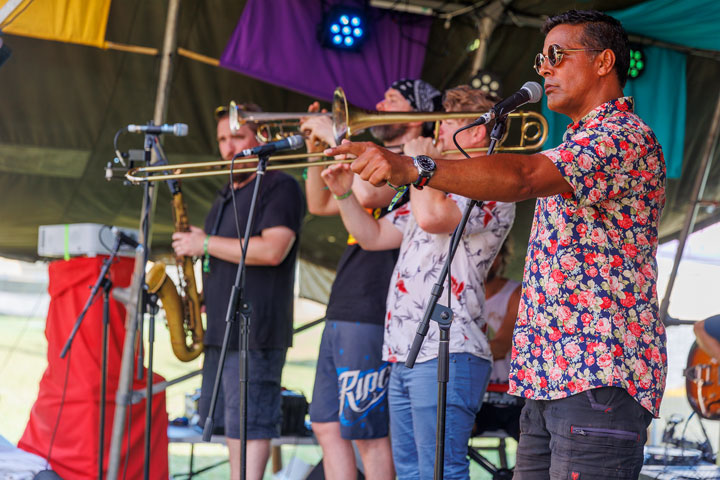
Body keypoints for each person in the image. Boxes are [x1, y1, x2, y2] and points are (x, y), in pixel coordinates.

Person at [327, 9, 667, 479]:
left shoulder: (620, 136)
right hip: (551, 373)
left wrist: (418, 168)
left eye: (556, 55)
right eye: (540, 59)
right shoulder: (576, 141)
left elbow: (523, 176)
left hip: (596, 372)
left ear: (605, 61)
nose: (544, 68)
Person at [320, 85, 515, 479]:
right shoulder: (435, 184)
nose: (439, 132)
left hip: (450, 349)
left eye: (448, 124)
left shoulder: (490, 185)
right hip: (403, 350)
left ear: (477, 133)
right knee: (410, 472)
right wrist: (344, 196)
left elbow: (433, 219)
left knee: (439, 471)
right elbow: (375, 237)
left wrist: (420, 162)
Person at [301, 79, 442, 480]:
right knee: (328, 425)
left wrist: (334, 134)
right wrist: (317, 150)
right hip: (345, 301)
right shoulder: (373, 155)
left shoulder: (412, 166)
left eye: (392, 101)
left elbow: (368, 194)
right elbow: (320, 201)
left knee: (367, 432)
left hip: (372, 303)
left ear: (416, 119)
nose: (379, 104)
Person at [171, 104, 304, 480]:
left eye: (238, 138)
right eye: (223, 140)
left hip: (255, 330)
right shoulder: (225, 194)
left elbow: (272, 250)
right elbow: (223, 256)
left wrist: (205, 242)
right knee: (231, 425)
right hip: (221, 330)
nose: (229, 148)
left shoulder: (280, 186)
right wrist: (197, 297)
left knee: (252, 425)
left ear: (261, 138)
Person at [474, 240, 523, 440]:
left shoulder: (516, 292)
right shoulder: (458, 296)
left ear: (502, 257)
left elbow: (502, 346)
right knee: (450, 432)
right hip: (476, 395)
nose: (488, 261)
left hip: (514, 396)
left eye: (493, 255)